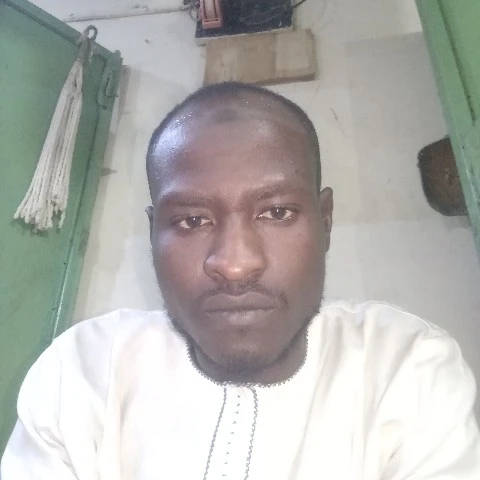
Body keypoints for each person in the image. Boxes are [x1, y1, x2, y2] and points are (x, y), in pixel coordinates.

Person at [2, 82, 480, 479]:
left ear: (326, 221)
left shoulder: (407, 368)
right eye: (192, 221)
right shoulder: (84, 373)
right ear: (153, 234)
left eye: (277, 212)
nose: (234, 264)